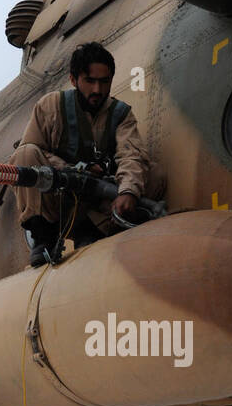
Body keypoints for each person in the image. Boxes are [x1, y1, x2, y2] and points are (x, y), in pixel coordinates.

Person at [12, 41, 155, 265]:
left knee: (155, 173)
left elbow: (131, 156)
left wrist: (128, 191)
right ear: (73, 79)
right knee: (26, 155)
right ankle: (43, 238)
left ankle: (92, 230)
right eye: (90, 81)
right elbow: (29, 152)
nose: (97, 90)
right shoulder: (50, 107)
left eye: (104, 81)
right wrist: (74, 170)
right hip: (58, 201)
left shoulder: (121, 115)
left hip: (97, 205)